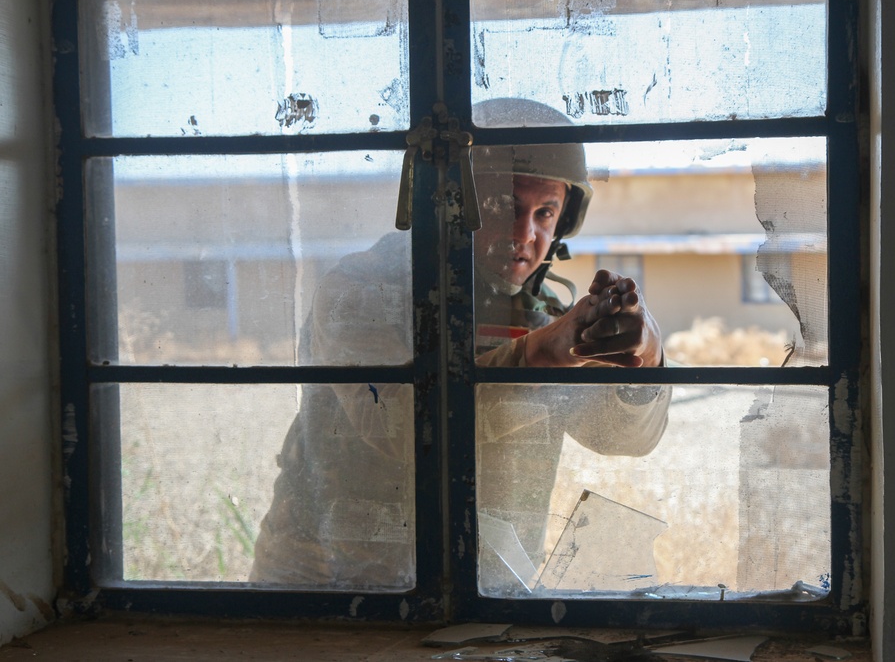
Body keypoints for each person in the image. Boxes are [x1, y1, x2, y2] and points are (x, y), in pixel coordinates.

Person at [250, 99, 671, 595]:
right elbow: (399, 425)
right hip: (329, 587)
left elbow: (621, 438)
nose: (524, 234)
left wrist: (642, 362)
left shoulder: (547, 317)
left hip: (487, 588)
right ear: (451, 203)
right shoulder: (363, 290)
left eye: (544, 213)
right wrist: (539, 356)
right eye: (504, 207)